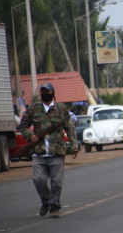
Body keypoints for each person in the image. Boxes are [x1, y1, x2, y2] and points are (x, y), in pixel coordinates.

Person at [18, 82, 79, 218]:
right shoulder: (33, 108)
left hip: (56, 151)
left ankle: (55, 206)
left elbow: (70, 128)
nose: (45, 93)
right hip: (38, 152)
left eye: (48, 91)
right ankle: (46, 201)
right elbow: (23, 125)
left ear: (53, 92)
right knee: (38, 180)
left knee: (56, 182)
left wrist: (74, 146)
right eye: (43, 91)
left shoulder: (61, 109)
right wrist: (30, 135)